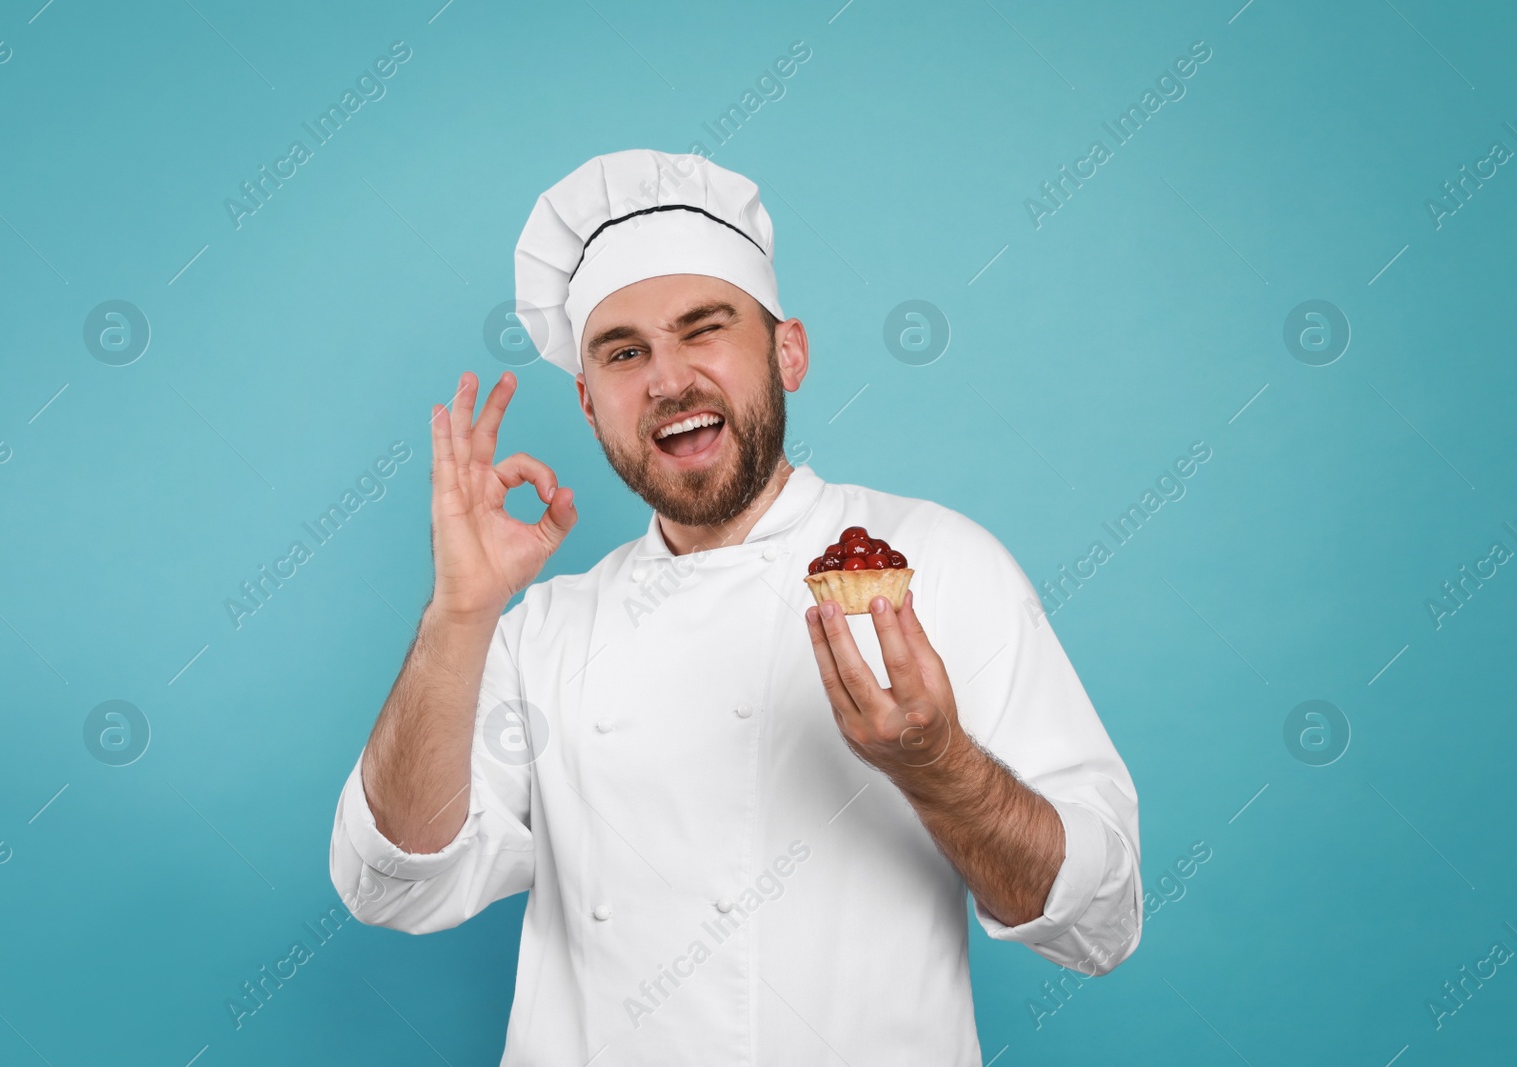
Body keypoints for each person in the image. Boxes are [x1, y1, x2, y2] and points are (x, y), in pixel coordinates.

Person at [329, 148, 1142, 1064]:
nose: (668, 379)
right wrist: (460, 613)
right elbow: (391, 884)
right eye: (624, 351)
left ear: (787, 351)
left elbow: (1098, 921)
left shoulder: (939, 566)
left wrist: (939, 766)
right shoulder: (542, 632)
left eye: (702, 328)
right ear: (589, 404)